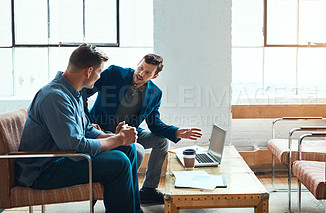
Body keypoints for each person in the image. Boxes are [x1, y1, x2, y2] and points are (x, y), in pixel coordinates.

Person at [16, 44, 142, 213]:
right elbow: (75, 148)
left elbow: (86, 130)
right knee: (118, 162)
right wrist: (118, 139)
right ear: (89, 71)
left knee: (128, 149)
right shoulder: (54, 97)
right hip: (43, 170)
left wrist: (114, 137)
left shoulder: (71, 93)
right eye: (99, 72)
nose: (99, 77)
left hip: (60, 158)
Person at [82, 53, 202, 204]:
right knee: (137, 149)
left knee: (162, 141)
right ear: (138, 63)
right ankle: (123, 192)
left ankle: (148, 190)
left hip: (128, 134)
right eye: (141, 67)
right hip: (101, 133)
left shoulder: (155, 93)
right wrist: (88, 123)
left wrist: (176, 131)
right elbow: (83, 94)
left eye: (147, 72)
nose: (140, 73)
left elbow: (154, 123)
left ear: (155, 76)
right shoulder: (115, 73)